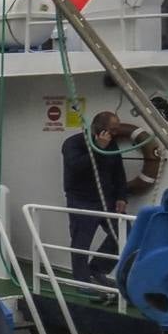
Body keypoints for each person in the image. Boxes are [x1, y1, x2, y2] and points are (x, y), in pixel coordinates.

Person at [61, 111, 129, 292]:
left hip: (107, 199)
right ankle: (82, 282)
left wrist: (122, 196)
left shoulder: (112, 145)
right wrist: (98, 148)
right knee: (81, 242)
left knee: (125, 233)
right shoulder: (73, 144)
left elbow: (118, 173)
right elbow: (76, 168)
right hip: (82, 200)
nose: (115, 134)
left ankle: (98, 268)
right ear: (100, 129)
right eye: (112, 130)